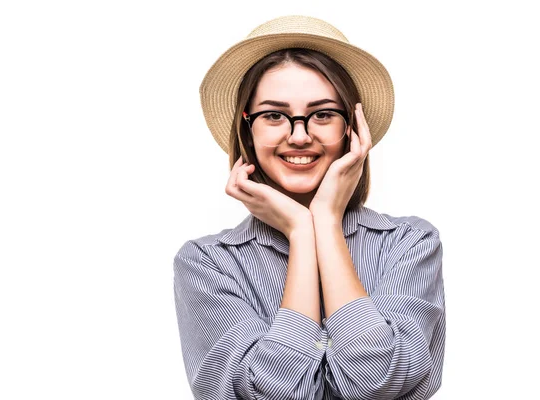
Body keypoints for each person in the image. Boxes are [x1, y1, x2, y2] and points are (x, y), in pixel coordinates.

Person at [173, 15, 445, 400]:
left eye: (322, 114)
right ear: (247, 130)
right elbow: (272, 394)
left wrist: (327, 222)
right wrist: (301, 231)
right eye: (273, 115)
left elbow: (376, 381)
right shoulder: (205, 263)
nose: (299, 136)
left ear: (351, 128)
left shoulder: (409, 243)